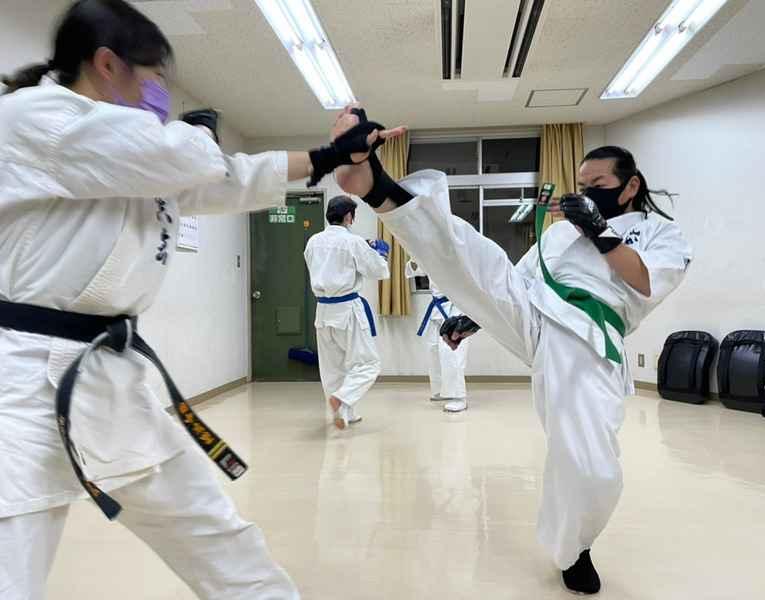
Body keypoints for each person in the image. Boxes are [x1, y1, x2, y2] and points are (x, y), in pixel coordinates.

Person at [0, 2, 404, 598]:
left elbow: (223, 179)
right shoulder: (40, 116)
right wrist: (196, 135)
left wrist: (330, 158)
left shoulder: (137, 154)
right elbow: (185, 157)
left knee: (217, 533)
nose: (161, 92)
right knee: (13, 561)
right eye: (153, 77)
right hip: (24, 383)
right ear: (107, 63)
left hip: (111, 377)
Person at [332, 106, 692, 595]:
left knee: (593, 468)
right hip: (535, 314)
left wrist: (599, 230)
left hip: (588, 339)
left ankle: (576, 547)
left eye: (598, 183)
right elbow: (512, 280)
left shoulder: (657, 233)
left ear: (629, 186)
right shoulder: (559, 232)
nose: (586, 192)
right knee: (474, 252)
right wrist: (473, 315)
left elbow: (645, 282)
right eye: (582, 184)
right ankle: (377, 186)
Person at [304, 196, 390, 429]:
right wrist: (380, 252)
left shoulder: (313, 241)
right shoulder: (353, 242)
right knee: (368, 364)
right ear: (349, 217)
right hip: (348, 309)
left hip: (323, 311)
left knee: (333, 367)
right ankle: (342, 399)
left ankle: (343, 413)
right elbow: (378, 271)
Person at [405, 259, 470, 412]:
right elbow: (417, 269)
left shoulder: (459, 251)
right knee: (433, 349)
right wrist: (415, 259)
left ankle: (458, 397)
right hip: (437, 307)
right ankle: (441, 390)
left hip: (455, 308)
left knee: (452, 353)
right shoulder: (432, 249)